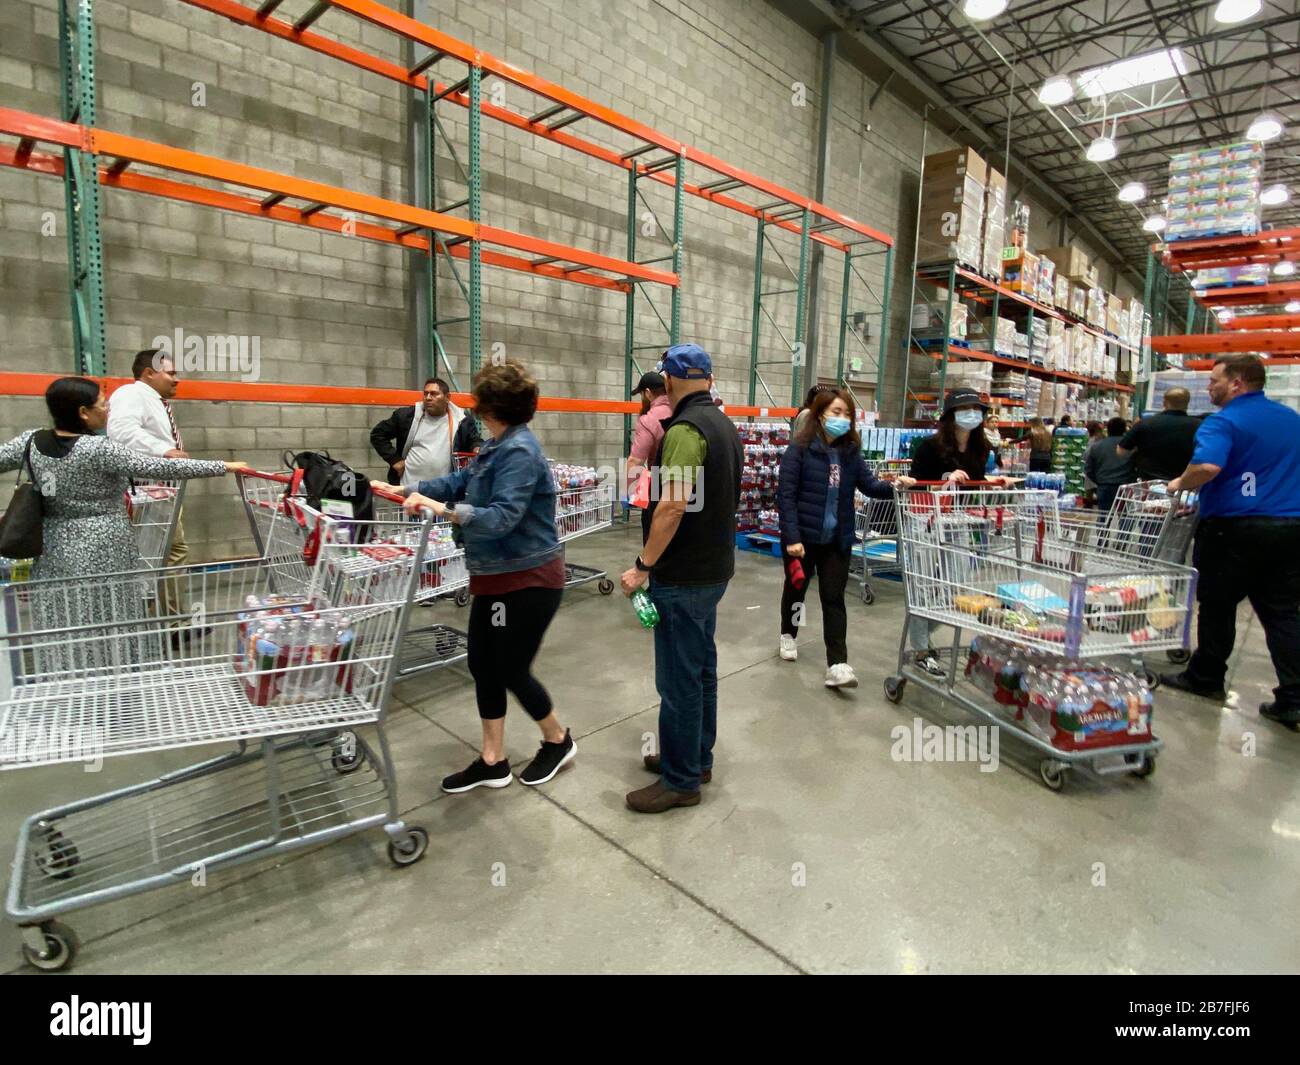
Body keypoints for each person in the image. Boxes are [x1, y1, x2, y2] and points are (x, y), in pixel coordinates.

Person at [386, 362, 577, 789]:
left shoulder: (520, 452)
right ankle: (493, 760)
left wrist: (445, 511)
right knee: (483, 664)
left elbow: (503, 518)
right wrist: (408, 490)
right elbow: (461, 479)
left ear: (490, 407)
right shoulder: (497, 446)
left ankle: (558, 739)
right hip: (495, 579)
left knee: (511, 667)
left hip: (528, 581)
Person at [0, 377, 244, 668]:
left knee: (65, 612)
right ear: (83, 413)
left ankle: (69, 675)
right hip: (107, 545)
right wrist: (223, 466)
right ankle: (115, 674)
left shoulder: (30, 442)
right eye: (102, 405)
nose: (108, 411)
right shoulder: (98, 449)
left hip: (54, 543)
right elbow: (159, 466)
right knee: (113, 612)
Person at [620, 343, 742, 813]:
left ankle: (681, 780)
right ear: (708, 380)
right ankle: (694, 757)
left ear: (666, 383)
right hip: (714, 570)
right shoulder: (725, 425)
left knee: (678, 681)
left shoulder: (686, 430)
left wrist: (643, 565)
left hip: (684, 575)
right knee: (702, 670)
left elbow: (672, 504)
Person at [1161, 355, 1300, 730]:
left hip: (1235, 529)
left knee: (1219, 604)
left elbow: (1207, 466)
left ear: (1236, 383)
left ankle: (1206, 678)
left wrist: (1178, 484)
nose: (1208, 388)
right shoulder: (1291, 420)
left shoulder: (1224, 421)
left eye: (1214, 381)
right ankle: (1294, 698)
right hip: (1290, 528)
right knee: (1283, 612)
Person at [777, 388, 913, 688]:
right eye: (836, 412)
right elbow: (785, 496)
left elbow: (868, 485)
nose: (842, 418)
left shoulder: (850, 453)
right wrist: (791, 536)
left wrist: (895, 486)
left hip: (837, 539)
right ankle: (789, 633)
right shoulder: (799, 449)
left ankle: (837, 663)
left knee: (833, 597)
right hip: (803, 538)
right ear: (820, 414)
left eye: (847, 414)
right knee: (797, 591)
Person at [906, 389, 1010, 676]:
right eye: (965, 408)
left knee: (956, 583)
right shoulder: (929, 447)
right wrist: (945, 480)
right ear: (951, 415)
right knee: (923, 585)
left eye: (977, 409)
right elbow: (914, 485)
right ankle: (921, 648)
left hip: (958, 521)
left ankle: (923, 632)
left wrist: (993, 483)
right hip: (925, 520)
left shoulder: (981, 448)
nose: (972, 414)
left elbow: (974, 483)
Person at [107, 349, 201, 621]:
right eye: (170, 373)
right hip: (146, 494)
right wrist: (165, 451)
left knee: (169, 552)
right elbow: (121, 432)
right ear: (149, 373)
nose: (176, 379)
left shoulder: (155, 401)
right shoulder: (131, 394)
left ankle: (172, 622)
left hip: (161, 492)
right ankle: (153, 625)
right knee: (151, 557)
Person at [370, 376, 482, 490]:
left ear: (447, 397)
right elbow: (378, 434)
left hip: (443, 492)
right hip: (407, 490)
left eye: (434, 394)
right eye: (426, 394)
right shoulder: (407, 416)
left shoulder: (461, 419)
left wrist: (476, 448)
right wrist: (395, 460)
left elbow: (474, 440)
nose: (428, 398)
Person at [1116, 386, 1199, 482]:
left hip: (1147, 483)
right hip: (1182, 484)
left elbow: (1121, 451)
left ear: (1164, 403)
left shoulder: (1145, 423)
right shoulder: (1199, 426)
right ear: (1187, 404)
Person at [625, 370, 670, 498]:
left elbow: (635, 461)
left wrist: (629, 492)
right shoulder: (681, 410)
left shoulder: (649, 419)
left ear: (648, 393)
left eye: (641, 394)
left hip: (659, 487)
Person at [1084, 417, 1135, 512]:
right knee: (1125, 519)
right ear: (1124, 429)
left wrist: (1099, 480)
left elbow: (1088, 469)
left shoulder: (1096, 446)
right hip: (1125, 486)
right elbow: (1137, 465)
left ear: (1108, 429)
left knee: (1104, 518)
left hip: (1104, 485)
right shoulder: (1131, 446)